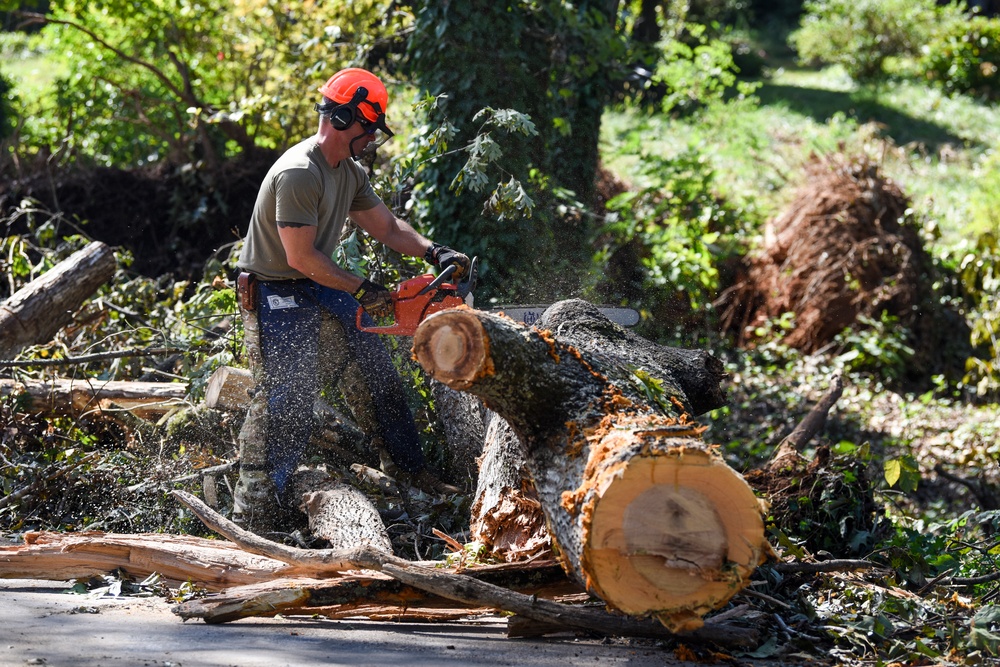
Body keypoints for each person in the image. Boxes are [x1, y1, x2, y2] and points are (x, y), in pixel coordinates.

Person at [232, 67, 471, 533]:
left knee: (375, 363)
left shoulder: (349, 172)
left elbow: (385, 226)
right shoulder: (301, 172)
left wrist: (432, 250)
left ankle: (410, 472)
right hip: (277, 285)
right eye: (369, 128)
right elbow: (299, 256)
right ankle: (258, 506)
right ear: (345, 120)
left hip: (315, 279)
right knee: (289, 392)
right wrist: (361, 288)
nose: (372, 139)